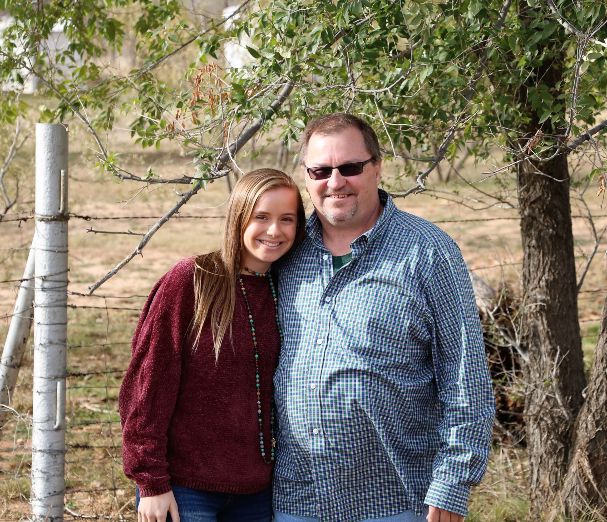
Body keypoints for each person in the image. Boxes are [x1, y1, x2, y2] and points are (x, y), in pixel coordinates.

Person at [272, 114, 495, 522]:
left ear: (376, 166)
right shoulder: (284, 254)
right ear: (306, 176)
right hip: (295, 501)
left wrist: (452, 484)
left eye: (350, 168)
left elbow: (466, 378)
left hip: (398, 502)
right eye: (321, 170)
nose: (335, 182)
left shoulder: (427, 252)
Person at [119, 168, 306, 522]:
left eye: (287, 219)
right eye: (261, 217)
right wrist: (151, 482)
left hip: (259, 490)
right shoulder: (193, 280)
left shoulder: (289, 289)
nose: (274, 230)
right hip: (186, 487)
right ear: (238, 218)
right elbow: (148, 385)